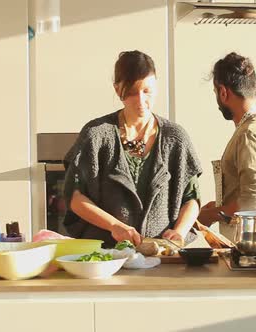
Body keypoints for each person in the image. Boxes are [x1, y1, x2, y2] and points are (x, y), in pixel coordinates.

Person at [63, 50, 202, 248]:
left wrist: (179, 231)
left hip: (160, 256)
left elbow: (192, 198)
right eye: (131, 92)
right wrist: (114, 226)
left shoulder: (176, 138)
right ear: (117, 89)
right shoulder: (96, 135)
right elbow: (75, 198)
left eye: (147, 90)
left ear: (156, 86)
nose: (140, 100)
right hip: (104, 255)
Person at [197, 52, 256, 237]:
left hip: (252, 249)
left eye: (215, 92)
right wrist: (220, 206)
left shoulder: (248, 134)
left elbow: (253, 203)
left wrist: (211, 215)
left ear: (223, 92)